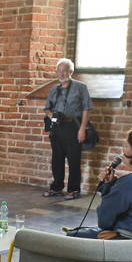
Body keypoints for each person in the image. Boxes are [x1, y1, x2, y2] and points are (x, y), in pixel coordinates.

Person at [43, 58, 93, 200]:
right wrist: (52, 116)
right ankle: (57, 188)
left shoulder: (80, 87)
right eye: (59, 71)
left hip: (73, 126)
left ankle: (74, 189)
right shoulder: (54, 89)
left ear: (71, 71)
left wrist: (82, 128)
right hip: (57, 127)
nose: (61, 73)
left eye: (64, 71)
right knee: (57, 159)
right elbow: (47, 108)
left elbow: (86, 108)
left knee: (73, 159)